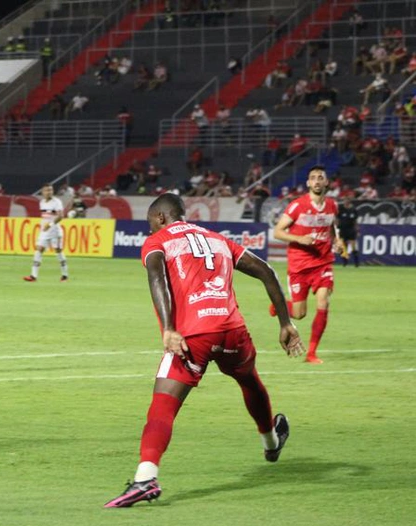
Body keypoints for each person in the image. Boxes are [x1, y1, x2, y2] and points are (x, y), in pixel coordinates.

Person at [104, 193, 304, 508]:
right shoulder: (218, 239)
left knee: (163, 406)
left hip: (193, 336)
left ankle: (145, 479)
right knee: (249, 380)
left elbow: (157, 277)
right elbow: (266, 270)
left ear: (160, 218)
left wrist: (169, 328)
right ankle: (271, 442)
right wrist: (285, 323)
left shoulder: (159, 240)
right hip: (233, 331)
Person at [271, 166, 344, 364]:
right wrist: (299, 239)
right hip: (299, 265)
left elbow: (331, 228)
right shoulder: (297, 206)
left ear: (327, 182)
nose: (317, 181)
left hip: (323, 263)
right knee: (299, 314)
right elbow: (277, 232)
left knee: (323, 302)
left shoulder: (332, 205)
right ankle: (280, 306)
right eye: (313, 178)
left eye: (321, 177)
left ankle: (311, 353)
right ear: (308, 183)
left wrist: (336, 241)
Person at [23, 183, 68, 282]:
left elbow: (61, 216)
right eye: (47, 190)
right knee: (39, 249)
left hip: (55, 230)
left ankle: (65, 275)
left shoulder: (57, 202)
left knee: (58, 251)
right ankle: (33, 276)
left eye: (51, 190)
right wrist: (43, 225)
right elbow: (46, 215)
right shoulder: (42, 202)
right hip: (45, 231)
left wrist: (50, 224)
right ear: (43, 192)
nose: (49, 192)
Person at [335, 197, 361, 267]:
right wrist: (336, 228)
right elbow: (337, 219)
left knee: (353, 247)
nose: (345, 202)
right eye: (345, 201)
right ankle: (345, 263)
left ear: (350, 202)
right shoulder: (340, 209)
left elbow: (355, 221)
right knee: (343, 247)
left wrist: (357, 230)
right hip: (342, 230)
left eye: (347, 201)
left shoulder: (353, 210)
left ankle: (356, 263)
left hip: (351, 230)